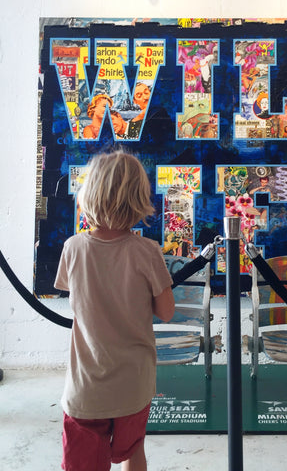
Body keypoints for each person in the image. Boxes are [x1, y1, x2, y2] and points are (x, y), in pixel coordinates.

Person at [54, 150, 175, 471]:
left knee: (82, 463)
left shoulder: (73, 248)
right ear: (138, 200)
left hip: (86, 385)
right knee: (133, 452)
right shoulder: (147, 252)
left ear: (89, 194)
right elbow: (166, 311)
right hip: (133, 384)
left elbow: (77, 296)